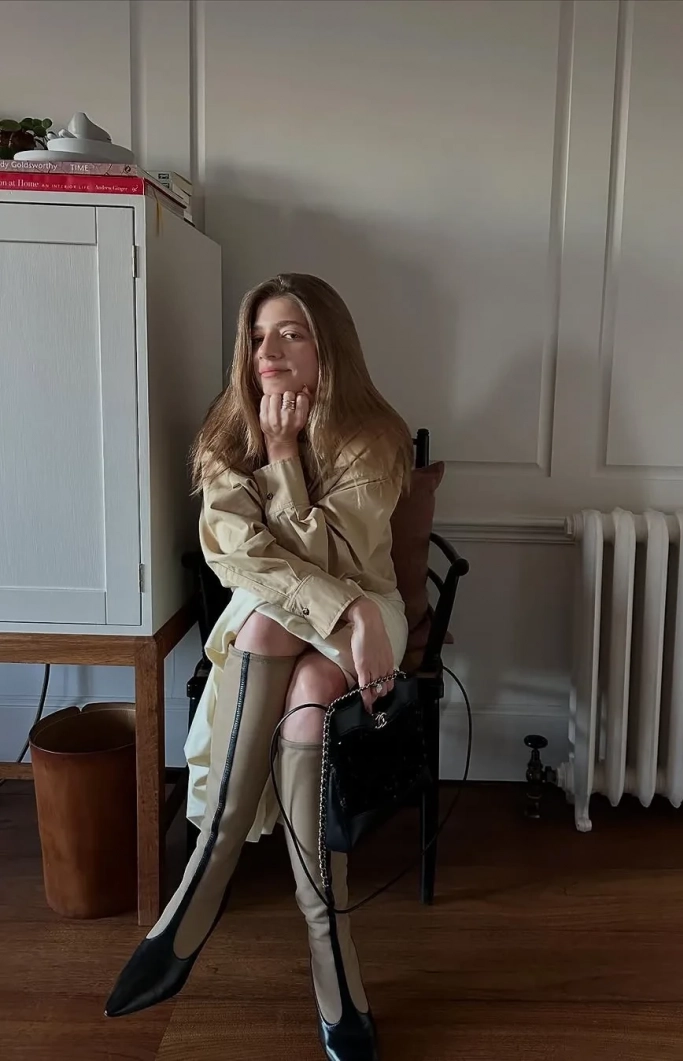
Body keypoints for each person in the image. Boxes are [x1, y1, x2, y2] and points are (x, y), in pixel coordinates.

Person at [105, 273, 412, 1061]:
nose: (266, 350)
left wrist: (283, 459)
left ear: (328, 347)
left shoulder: (372, 435)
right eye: (256, 335)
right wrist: (339, 606)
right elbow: (237, 557)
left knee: (302, 666)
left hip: (371, 612)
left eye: (291, 333)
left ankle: (213, 896)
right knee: (275, 631)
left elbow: (340, 562)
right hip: (304, 615)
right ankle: (323, 956)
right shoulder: (225, 434)